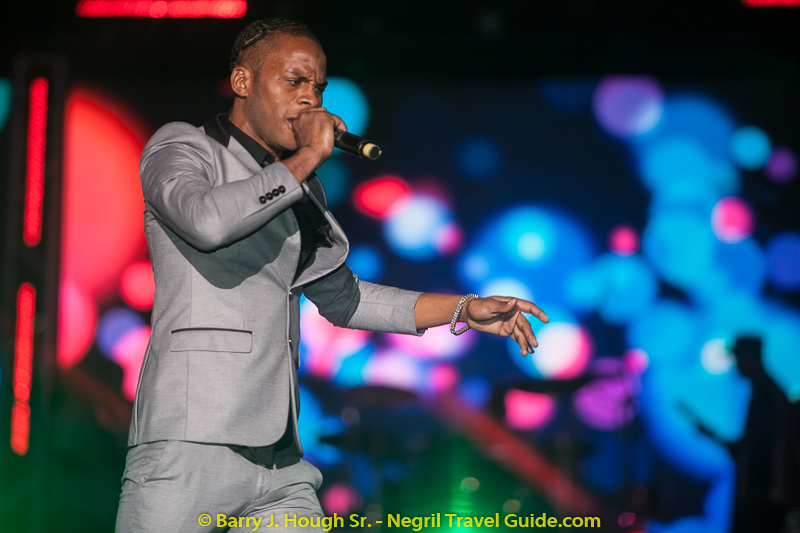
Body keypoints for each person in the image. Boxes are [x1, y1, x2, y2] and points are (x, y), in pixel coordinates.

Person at [115, 18, 549, 533]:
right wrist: (307, 158)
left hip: (280, 461)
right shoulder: (184, 147)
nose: (310, 98)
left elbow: (346, 299)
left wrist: (463, 309)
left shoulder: (298, 184)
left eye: (318, 87)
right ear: (242, 82)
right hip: (190, 441)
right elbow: (207, 223)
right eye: (294, 81)